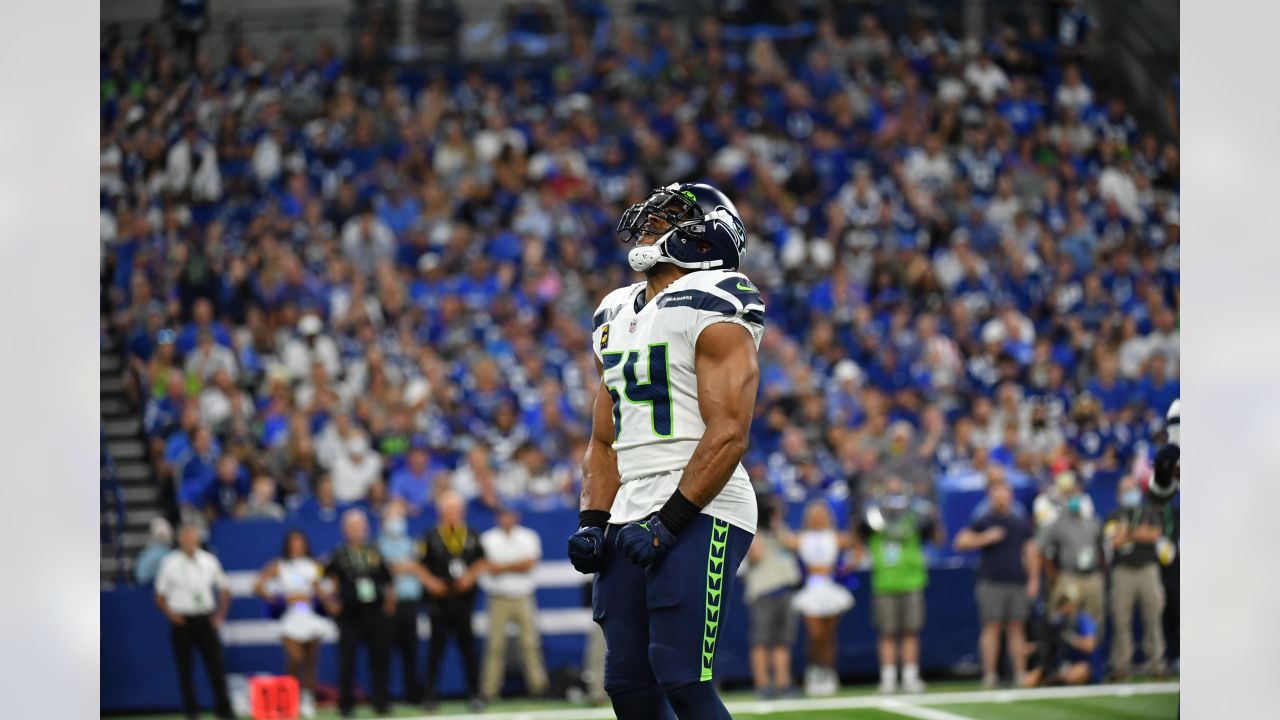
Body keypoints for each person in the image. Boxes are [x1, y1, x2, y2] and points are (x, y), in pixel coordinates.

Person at [567, 182, 761, 720]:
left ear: (709, 236)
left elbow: (728, 432)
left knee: (679, 672)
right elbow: (605, 438)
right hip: (630, 505)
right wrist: (591, 519)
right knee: (627, 685)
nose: (650, 223)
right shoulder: (613, 312)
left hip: (703, 502)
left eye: (670, 216)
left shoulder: (720, 296)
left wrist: (668, 522)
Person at [853, 475, 941, 694]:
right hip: (884, 583)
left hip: (911, 581)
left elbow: (938, 539)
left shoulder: (916, 516)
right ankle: (889, 677)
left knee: (911, 631)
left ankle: (910, 676)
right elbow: (856, 535)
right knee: (887, 633)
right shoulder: (873, 518)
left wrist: (934, 518)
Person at [954, 481, 1039, 688]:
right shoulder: (984, 519)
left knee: (1016, 628)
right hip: (991, 581)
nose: (1001, 496)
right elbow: (960, 541)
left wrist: (1034, 579)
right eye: (997, 493)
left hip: (1016, 581)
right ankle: (990, 675)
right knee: (991, 627)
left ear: (1010, 495)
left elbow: (1030, 550)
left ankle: (1020, 674)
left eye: (1004, 492)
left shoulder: (1019, 522)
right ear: (991, 496)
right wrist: (984, 538)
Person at [413, 490, 487, 711]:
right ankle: (430, 695)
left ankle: (475, 694)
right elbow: (418, 563)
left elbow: (482, 560)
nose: (453, 514)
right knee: (436, 650)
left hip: (464, 601)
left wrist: (471, 576)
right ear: (441, 512)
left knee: (469, 650)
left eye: (456, 510)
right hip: (440, 601)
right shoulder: (429, 535)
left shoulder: (472, 534)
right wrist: (430, 582)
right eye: (449, 510)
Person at [153, 524, 234, 719]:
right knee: (185, 668)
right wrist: (171, 615)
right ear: (180, 539)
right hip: (182, 621)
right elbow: (159, 595)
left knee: (216, 666)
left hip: (204, 618)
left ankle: (224, 710)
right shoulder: (169, 562)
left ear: (198, 539)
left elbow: (225, 589)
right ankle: (191, 711)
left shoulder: (209, 560)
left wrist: (219, 616)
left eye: (193, 536)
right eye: (186, 537)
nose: (190, 540)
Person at [322, 509, 395, 718]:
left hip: (374, 611)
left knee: (380, 659)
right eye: (353, 527)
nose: (358, 531)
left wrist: (389, 604)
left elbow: (388, 578)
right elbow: (322, 577)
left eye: (361, 526)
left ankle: (381, 702)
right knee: (347, 660)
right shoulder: (338, 554)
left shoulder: (375, 551)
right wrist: (330, 602)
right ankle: (346, 703)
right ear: (345, 530)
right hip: (350, 613)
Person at [479, 506, 550, 701]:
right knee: (495, 646)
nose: (506, 518)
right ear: (497, 517)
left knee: (530, 644)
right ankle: (489, 691)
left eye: (509, 514)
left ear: (516, 516)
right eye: (502, 514)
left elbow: (528, 564)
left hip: (523, 596)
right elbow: (487, 566)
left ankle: (538, 687)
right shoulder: (488, 539)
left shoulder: (528, 536)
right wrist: (514, 565)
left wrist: (501, 566)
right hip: (498, 597)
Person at [253, 530, 326, 718]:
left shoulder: (313, 565)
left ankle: (308, 699)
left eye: (300, 543)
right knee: (295, 658)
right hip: (290, 617)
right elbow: (257, 586)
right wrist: (279, 600)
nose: (297, 546)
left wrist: (322, 601)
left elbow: (319, 591)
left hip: (309, 616)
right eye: (293, 543)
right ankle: (289, 697)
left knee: (311, 660)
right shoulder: (279, 565)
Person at [788, 500, 855, 696]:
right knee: (815, 635)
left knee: (829, 635)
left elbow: (857, 544)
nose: (818, 518)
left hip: (830, 587)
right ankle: (814, 671)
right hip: (812, 589)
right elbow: (782, 539)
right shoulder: (801, 537)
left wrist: (847, 566)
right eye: (815, 515)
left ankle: (828, 671)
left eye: (821, 514)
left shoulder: (835, 537)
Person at [1105, 475, 1167, 680]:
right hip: (1123, 571)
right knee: (1121, 620)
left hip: (1147, 569)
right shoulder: (1114, 514)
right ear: (1118, 494)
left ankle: (1156, 664)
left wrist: (1129, 533)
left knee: (1153, 617)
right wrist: (1138, 532)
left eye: (1132, 488)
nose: (1129, 493)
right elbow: (1114, 541)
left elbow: (1154, 534)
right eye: (1125, 489)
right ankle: (1121, 665)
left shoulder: (1148, 511)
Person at [742, 497, 802, 699]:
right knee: (761, 641)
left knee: (783, 641)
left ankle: (783, 683)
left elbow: (794, 545)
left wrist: (776, 526)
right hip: (763, 592)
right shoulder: (752, 533)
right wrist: (757, 525)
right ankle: (762, 684)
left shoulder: (782, 531)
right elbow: (755, 555)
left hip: (785, 591)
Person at [1039, 481, 1106, 629]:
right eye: (1071, 494)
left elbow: (1102, 548)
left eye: (1078, 494)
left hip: (1092, 576)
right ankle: (1061, 650)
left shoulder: (1094, 522)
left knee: (1095, 621)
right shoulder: (1057, 523)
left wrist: (1101, 573)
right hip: (1068, 576)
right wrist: (1053, 576)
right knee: (1061, 619)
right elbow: (1044, 550)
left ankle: (1094, 651)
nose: (1075, 498)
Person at [377, 503, 424, 705]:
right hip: (389, 605)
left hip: (410, 603)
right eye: (392, 517)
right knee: (384, 653)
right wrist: (406, 566)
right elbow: (389, 569)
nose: (396, 522)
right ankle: (383, 698)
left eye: (399, 517)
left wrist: (405, 566)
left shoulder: (410, 543)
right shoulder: (378, 545)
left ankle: (414, 695)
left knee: (411, 651)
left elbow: (418, 565)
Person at [1022, 583, 1097, 687]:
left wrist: (1069, 638)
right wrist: (1034, 648)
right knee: (1028, 681)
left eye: (1068, 602)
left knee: (1077, 673)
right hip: (1061, 663)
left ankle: (1057, 680)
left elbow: (1090, 646)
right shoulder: (1058, 621)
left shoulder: (1083, 619)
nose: (1065, 606)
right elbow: (1050, 643)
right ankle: (1054, 679)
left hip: (1081, 662)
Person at [135, 516, 174, 586]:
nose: (163, 538)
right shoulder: (148, 554)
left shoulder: (169, 554)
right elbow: (141, 576)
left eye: (164, 535)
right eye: (161, 536)